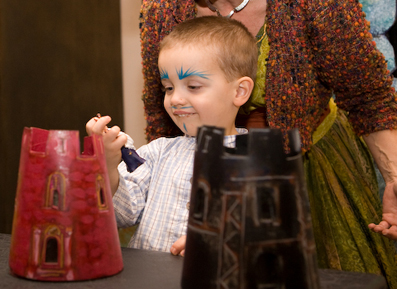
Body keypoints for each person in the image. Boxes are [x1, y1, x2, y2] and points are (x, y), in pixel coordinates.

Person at [139, 0, 397, 288]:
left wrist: (394, 176)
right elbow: (161, 114)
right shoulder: (161, 8)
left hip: (310, 163)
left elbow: (368, 95)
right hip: (208, 163)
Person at [86, 16, 257, 255]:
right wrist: (107, 168)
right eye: (168, 87)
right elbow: (121, 215)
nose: (175, 99)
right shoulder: (156, 153)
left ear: (239, 91)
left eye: (193, 86)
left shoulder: (261, 163)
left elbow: (271, 240)